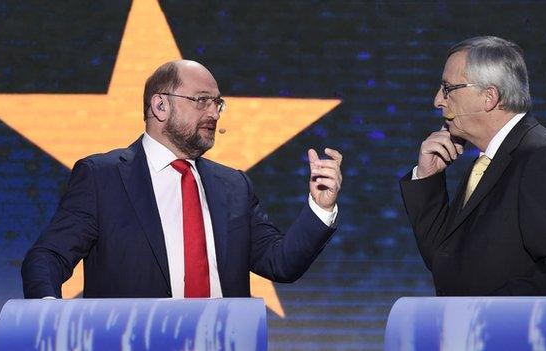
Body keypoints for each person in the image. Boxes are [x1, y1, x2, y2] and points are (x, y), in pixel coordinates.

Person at [22, 60, 342, 298]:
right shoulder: (101, 177)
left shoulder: (234, 187)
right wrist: (49, 318)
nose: (214, 113)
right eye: (202, 100)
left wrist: (320, 207)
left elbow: (280, 263)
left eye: (218, 104)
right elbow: (48, 257)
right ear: (160, 105)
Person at [400, 36, 546, 295]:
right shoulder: (486, 162)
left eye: (447, 89)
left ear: (489, 97)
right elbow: (444, 260)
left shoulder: (543, 158)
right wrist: (428, 178)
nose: (438, 100)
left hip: (503, 334)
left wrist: (488, 316)